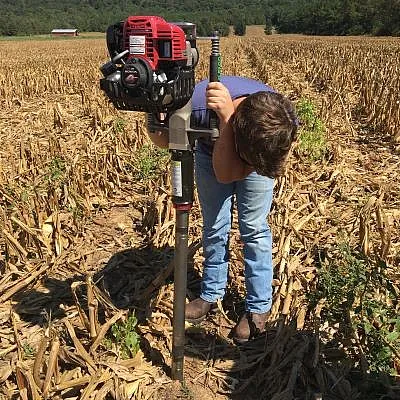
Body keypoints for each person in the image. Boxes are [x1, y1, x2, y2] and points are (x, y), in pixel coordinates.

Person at [148, 76, 298, 343]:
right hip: (210, 150)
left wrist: (252, 161)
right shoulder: (198, 108)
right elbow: (163, 140)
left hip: (256, 150)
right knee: (215, 225)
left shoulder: (281, 123)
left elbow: (268, 161)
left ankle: (258, 306)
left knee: (254, 229)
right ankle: (212, 292)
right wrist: (156, 116)